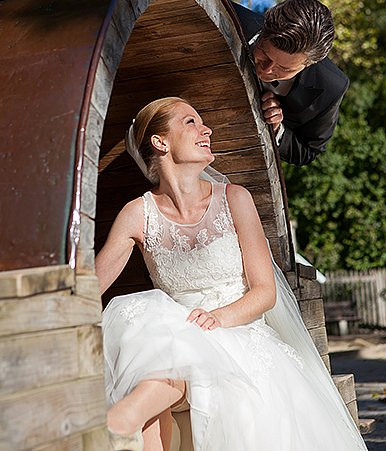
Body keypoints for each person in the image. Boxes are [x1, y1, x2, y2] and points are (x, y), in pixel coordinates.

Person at [96, 97, 367, 451]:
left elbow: (264, 292)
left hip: (235, 328)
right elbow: (91, 286)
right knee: (143, 321)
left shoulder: (234, 198)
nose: (206, 129)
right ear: (160, 142)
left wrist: (216, 318)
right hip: (172, 336)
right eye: (190, 121)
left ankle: (108, 427)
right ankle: (115, 425)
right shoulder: (137, 214)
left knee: (170, 362)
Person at [232, 0, 350, 166]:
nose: (266, 70)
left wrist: (276, 128)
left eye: (284, 68)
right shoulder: (230, 14)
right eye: (264, 54)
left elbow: (308, 151)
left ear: (309, 64)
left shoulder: (331, 87)